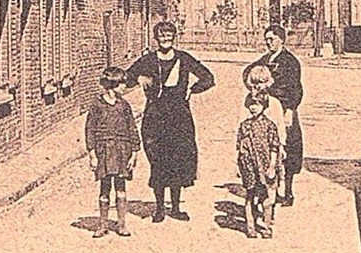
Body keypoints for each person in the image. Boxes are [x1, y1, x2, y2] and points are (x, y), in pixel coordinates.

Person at [126, 20, 215, 223]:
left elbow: (208, 77)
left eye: (169, 35)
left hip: (179, 117)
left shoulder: (183, 59)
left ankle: (175, 207)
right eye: (161, 35)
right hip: (155, 117)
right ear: (156, 38)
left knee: (178, 159)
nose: (165, 39)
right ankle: (159, 208)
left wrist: (192, 90)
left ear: (174, 37)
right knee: (157, 160)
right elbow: (126, 77)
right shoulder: (148, 60)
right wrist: (139, 79)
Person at [243, 24, 304, 205]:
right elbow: (248, 72)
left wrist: (291, 110)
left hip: (285, 110)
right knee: (269, 147)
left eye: (272, 39)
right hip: (268, 108)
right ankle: (272, 191)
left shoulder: (291, 61)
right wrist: (255, 88)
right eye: (267, 39)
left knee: (289, 148)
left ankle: (289, 192)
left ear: (282, 39)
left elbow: (297, 89)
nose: (268, 43)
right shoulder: (265, 59)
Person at [84, 65, 139, 238]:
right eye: (122, 84)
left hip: (122, 150)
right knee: (105, 188)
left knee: (121, 188)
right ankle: (103, 224)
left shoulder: (124, 106)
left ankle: (122, 224)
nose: (125, 87)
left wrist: (134, 152)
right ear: (111, 84)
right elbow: (90, 130)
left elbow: (132, 129)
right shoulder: (97, 105)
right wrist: (92, 155)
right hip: (104, 151)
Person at [236, 91, 282, 239]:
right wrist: (239, 167)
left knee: (266, 199)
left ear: (264, 105)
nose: (253, 108)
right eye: (250, 104)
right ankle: (250, 228)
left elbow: (275, 147)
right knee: (250, 197)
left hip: (265, 166)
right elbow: (240, 147)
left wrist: (272, 167)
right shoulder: (244, 125)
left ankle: (267, 227)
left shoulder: (269, 125)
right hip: (249, 166)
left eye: (257, 104)